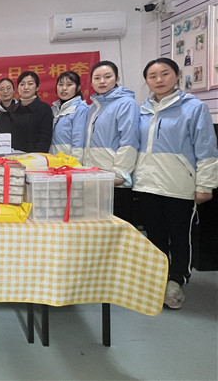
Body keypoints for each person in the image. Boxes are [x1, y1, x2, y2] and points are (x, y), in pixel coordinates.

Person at [133, 58, 218, 309]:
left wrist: (205, 185)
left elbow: (206, 149)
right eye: (152, 76)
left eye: (164, 74)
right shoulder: (141, 110)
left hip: (179, 186)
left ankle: (176, 281)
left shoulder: (193, 108)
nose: (159, 80)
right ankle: (158, 278)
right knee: (154, 236)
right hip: (147, 184)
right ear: (147, 81)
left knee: (181, 236)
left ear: (177, 75)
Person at [83, 60, 140, 223]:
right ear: (91, 82)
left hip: (115, 181)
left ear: (117, 78)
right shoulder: (93, 108)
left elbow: (130, 141)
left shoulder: (126, 104)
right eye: (97, 78)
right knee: (96, 226)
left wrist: (120, 173)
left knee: (116, 226)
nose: (102, 81)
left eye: (107, 77)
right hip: (94, 177)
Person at [9, 71, 53, 153]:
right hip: (12, 157)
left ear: (37, 87)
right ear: (18, 88)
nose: (26, 87)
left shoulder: (44, 109)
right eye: (22, 84)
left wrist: (36, 157)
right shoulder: (12, 109)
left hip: (35, 157)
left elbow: (44, 139)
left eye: (30, 84)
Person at [49, 71, 88, 162]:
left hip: (70, 162)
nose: (64, 88)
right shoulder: (53, 109)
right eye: (60, 84)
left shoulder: (80, 109)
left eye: (69, 85)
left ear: (78, 87)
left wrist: (75, 164)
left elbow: (79, 139)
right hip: (53, 161)